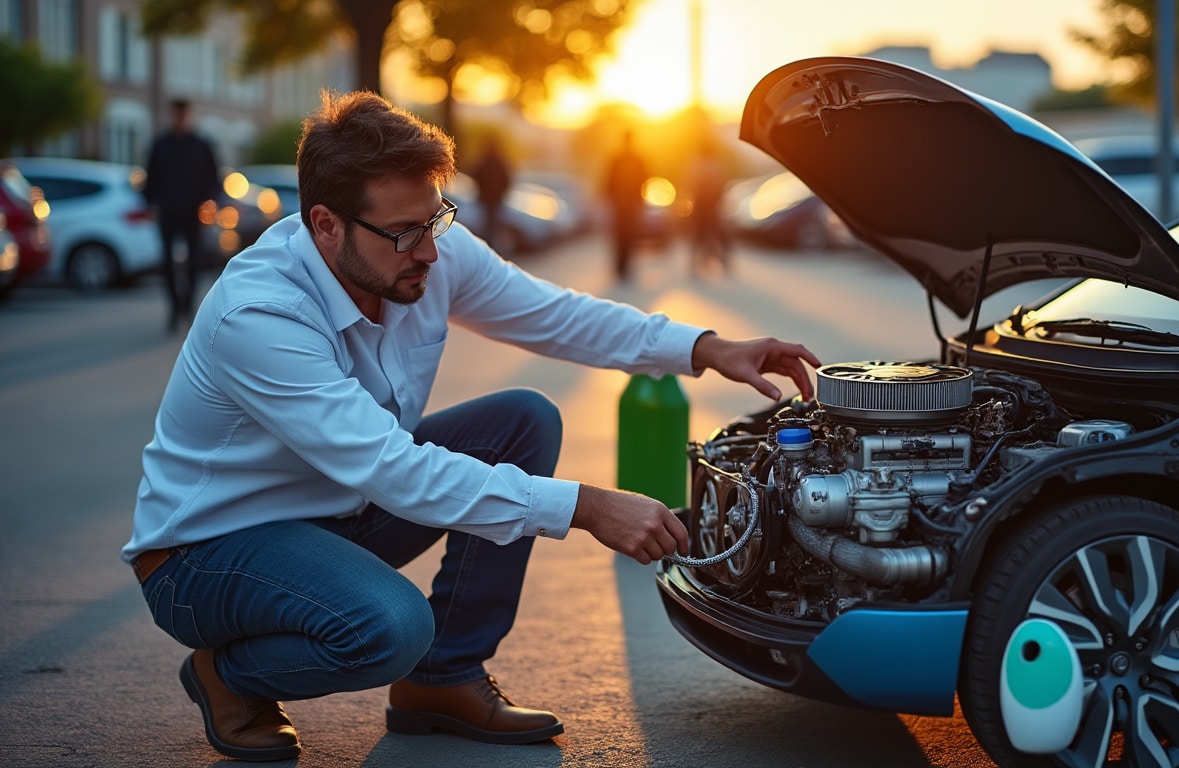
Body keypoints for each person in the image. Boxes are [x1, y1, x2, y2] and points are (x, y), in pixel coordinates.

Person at [121, 89, 820, 763]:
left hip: (339, 512)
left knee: (523, 420)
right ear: (326, 225)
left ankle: (444, 676)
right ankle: (229, 675)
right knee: (392, 628)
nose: (429, 250)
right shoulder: (261, 314)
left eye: (435, 220)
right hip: (208, 555)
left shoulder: (421, 249)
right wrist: (586, 507)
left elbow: (555, 314)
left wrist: (706, 348)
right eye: (404, 232)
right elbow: (392, 469)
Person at [144, 98, 221, 332]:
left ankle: (188, 306)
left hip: (193, 212)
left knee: (194, 261)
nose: (180, 119)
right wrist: (151, 203)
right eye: (176, 114)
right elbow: (150, 178)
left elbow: (214, 178)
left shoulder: (201, 145)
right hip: (168, 211)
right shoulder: (161, 145)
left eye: (183, 114)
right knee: (167, 262)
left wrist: (209, 202)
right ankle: (174, 307)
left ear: (189, 116)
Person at [602, 130, 648, 281]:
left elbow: (644, 180)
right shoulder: (622, 159)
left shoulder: (629, 159)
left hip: (627, 203)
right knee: (622, 236)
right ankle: (621, 267)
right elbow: (609, 180)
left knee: (626, 236)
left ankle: (624, 267)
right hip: (623, 203)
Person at [687, 139, 731, 276]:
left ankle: (694, 265)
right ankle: (725, 262)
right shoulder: (715, 165)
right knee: (718, 235)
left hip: (701, 207)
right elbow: (721, 185)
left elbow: (693, 186)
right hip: (712, 206)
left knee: (699, 236)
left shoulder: (697, 166)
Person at [468, 134, 511, 250]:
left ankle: (488, 245)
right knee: (493, 225)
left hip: (487, 198)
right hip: (493, 199)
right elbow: (507, 180)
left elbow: (474, 175)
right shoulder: (500, 162)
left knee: (488, 225)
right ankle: (491, 246)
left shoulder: (484, 162)